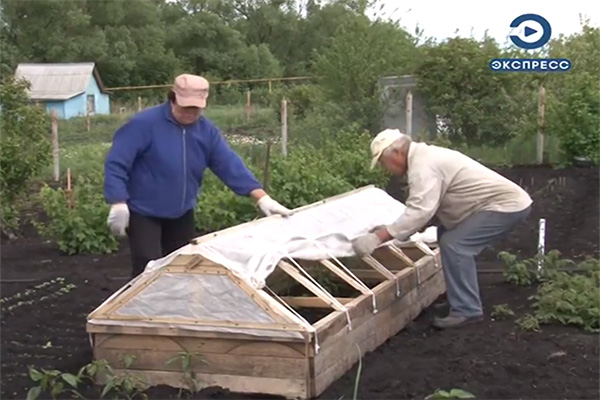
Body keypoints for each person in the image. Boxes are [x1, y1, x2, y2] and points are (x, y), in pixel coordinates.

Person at [104, 73, 291, 279]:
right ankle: (138, 310)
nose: (190, 113)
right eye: (186, 107)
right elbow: (117, 162)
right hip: (144, 211)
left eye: (196, 108)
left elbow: (228, 164)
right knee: (148, 266)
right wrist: (118, 201)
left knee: (181, 265)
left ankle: (175, 309)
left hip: (181, 211)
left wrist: (261, 197)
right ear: (172, 98)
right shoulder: (144, 124)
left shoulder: (205, 131)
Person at [351, 129, 532, 329]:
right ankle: (459, 299)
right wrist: (391, 229)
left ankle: (467, 309)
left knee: (456, 244)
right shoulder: (425, 157)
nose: (386, 169)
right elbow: (427, 207)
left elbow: (421, 211)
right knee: (446, 235)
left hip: (505, 206)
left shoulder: (423, 166)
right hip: (494, 205)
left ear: (396, 154)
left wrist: (378, 237)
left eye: (384, 163)